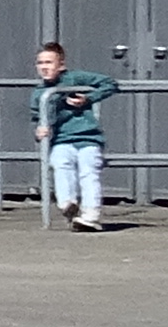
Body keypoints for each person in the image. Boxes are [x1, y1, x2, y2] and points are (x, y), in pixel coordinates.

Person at [38, 43, 114, 227]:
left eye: (49, 62)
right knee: (60, 163)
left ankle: (91, 215)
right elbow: (38, 119)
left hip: (88, 137)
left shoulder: (75, 78)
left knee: (89, 170)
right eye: (40, 63)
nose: (44, 67)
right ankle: (67, 204)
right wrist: (40, 130)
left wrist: (88, 98)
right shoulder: (39, 93)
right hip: (61, 140)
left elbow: (110, 83)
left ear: (61, 65)